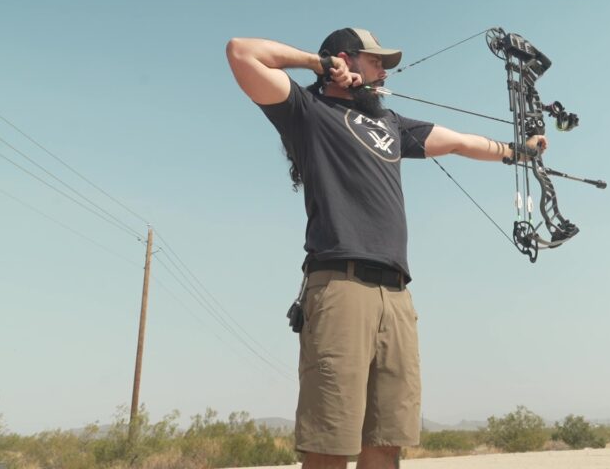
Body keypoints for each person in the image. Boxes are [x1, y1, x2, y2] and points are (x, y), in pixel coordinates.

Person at [226, 28, 546, 469]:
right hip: (341, 285)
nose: (383, 71)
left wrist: (516, 151)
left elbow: (457, 142)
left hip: (396, 296)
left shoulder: (391, 124)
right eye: (376, 61)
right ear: (345, 61)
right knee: (330, 441)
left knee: (386, 441)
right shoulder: (307, 110)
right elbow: (242, 53)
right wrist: (317, 66)